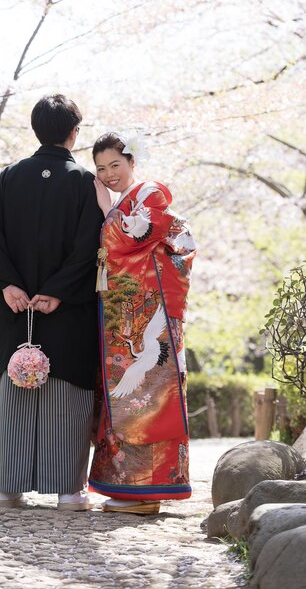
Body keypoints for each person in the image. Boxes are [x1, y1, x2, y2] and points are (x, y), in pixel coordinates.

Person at [0, 94, 103, 510]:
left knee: (16, 385)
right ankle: (68, 491)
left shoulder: (9, 176)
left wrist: (8, 284)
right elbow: (89, 246)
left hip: (16, 309)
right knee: (67, 390)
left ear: (36, 129)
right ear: (74, 132)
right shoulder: (84, 181)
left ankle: (8, 488)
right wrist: (59, 290)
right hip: (67, 310)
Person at [88, 131, 196, 514]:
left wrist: (107, 215)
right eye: (101, 168)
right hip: (130, 318)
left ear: (132, 162)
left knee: (148, 397)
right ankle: (131, 488)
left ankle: (148, 492)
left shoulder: (151, 192)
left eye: (115, 164)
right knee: (127, 396)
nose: (109, 174)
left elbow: (131, 237)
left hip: (150, 314)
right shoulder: (126, 201)